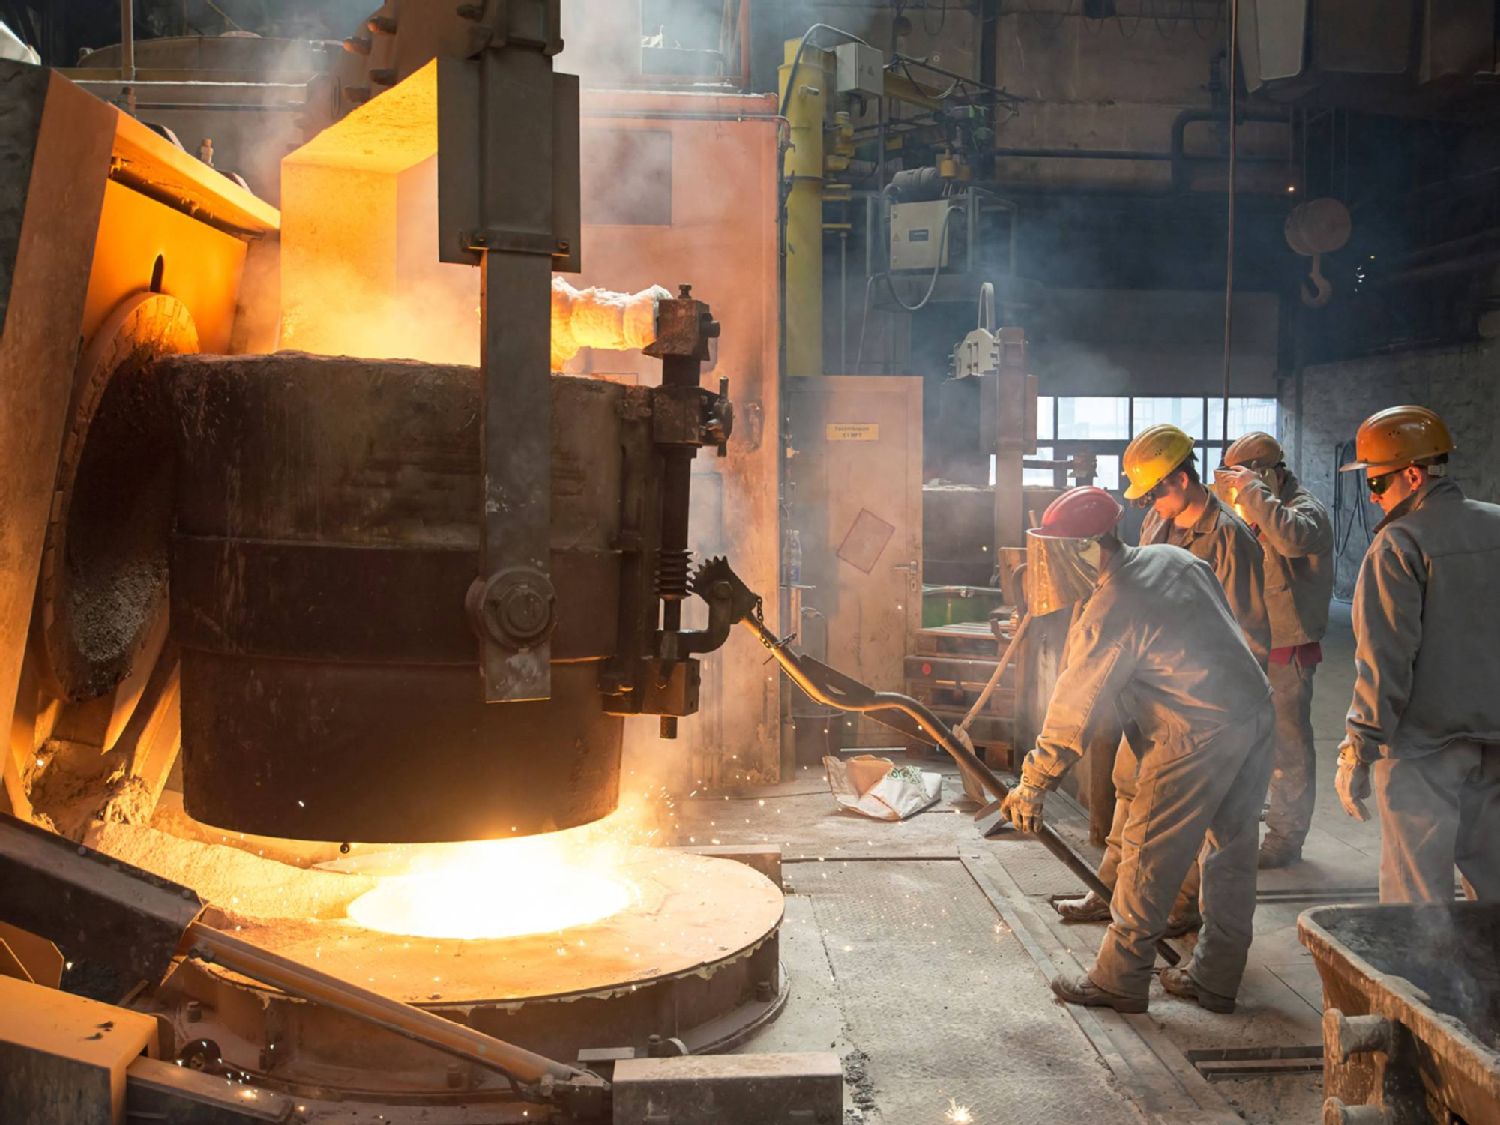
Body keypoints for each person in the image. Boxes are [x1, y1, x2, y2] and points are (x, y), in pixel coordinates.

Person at [1003, 486, 1274, 1013]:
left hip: (1194, 730)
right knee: (1232, 853)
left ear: (1083, 549)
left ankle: (1120, 980)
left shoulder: (1112, 607)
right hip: (1253, 709)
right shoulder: (1172, 557)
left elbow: (1074, 705)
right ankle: (1217, 978)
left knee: (1150, 854)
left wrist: (1035, 780)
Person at [1056, 424, 1269, 932]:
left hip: (1201, 708)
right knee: (1128, 786)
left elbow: (1245, 630)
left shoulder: (1229, 538)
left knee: (1192, 820)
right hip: (1153, 698)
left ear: (1181, 478)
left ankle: (1176, 909)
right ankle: (1107, 891)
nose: (1149, 502)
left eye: (1154, 490)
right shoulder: (1157, 521)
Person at [1336, 405, 1500, 902]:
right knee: (1494, 892)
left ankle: (1420, 983)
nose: (1371, 496)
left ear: (1413, 474)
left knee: (1417, 904)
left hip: (1425, 751)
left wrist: (1359, 748)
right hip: (1495, 743)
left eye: (1378, 483)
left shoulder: (1399, 544)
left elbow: (1385, 660)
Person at [1214, 432, 1334, 868]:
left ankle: (1287, 836)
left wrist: (1250, 491)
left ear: (1265, 474)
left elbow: (1290, 540)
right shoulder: (1252, 507)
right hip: (1249, 643)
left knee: (1289, 747)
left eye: (1242, 480)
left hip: (1288, 644)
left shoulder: (1305, 511)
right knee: (1250, 740)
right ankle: (1264, 809)